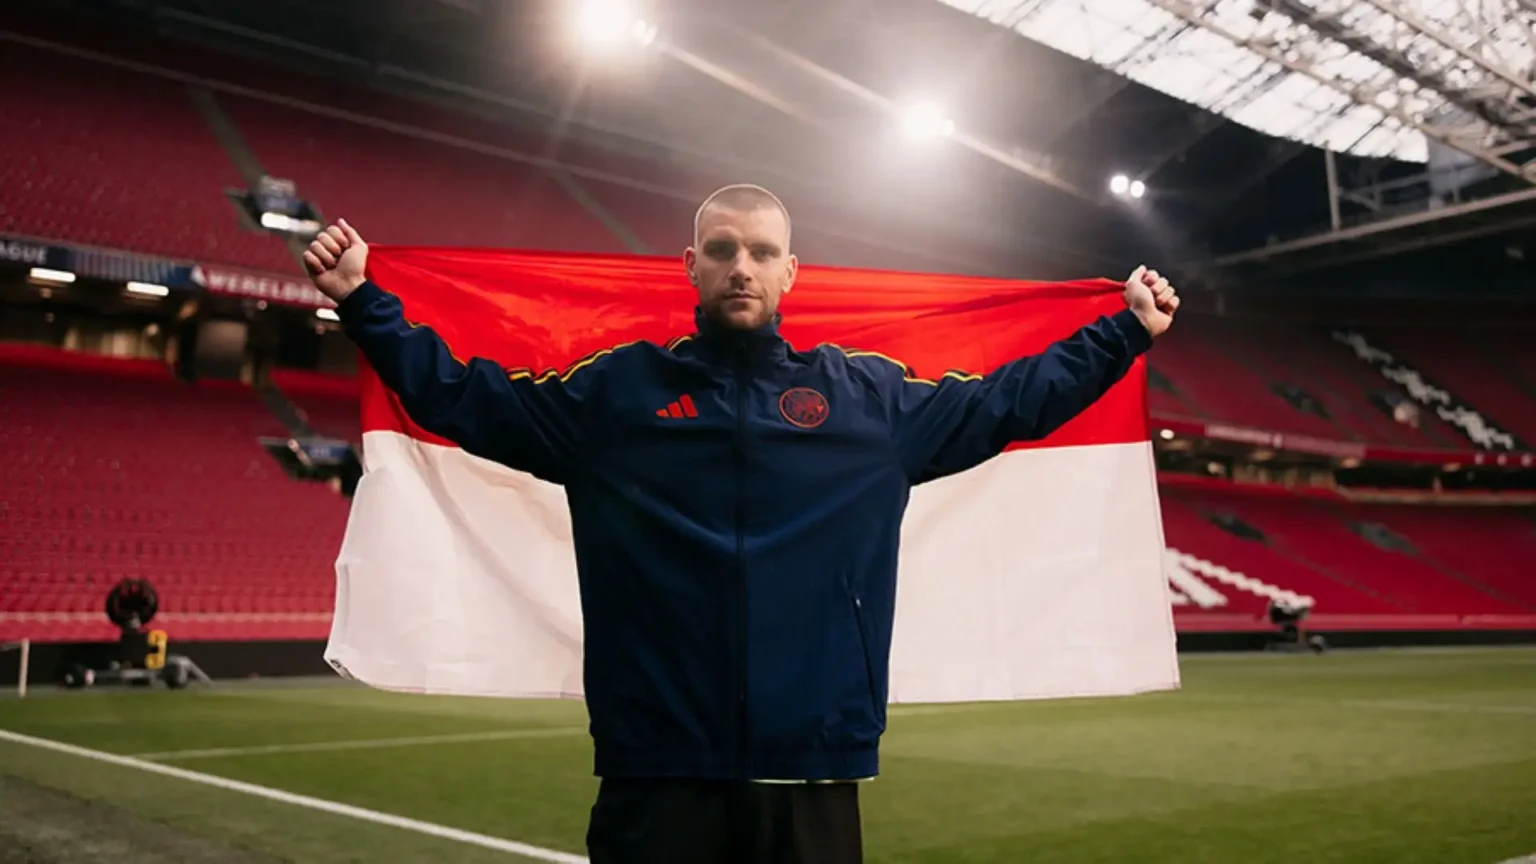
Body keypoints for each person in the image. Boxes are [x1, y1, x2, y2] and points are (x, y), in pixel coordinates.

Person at [303, 185, 1179, 864]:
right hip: (656, 769)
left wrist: (1123, 335)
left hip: (812, 768)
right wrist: (362, 302)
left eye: (762, 252)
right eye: (722, 250)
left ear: (793, 271)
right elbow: (467, 399)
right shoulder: (618, 396)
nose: (742, 268)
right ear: (690, 265)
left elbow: (1009, 403)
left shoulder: (866, 402)